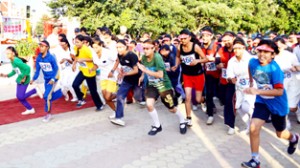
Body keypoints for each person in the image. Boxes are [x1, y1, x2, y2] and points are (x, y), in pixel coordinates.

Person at [241, 40, 299, 168]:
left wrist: (257, 90)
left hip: (277, 104)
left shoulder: (275, 69)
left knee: (280, 134)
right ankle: (255, 160)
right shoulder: (252, 62)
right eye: (260, 51)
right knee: (253, 128)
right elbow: (251, 70)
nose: (262, 54)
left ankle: (294, 138)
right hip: (262, 101)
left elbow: (279, 91)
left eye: (266, 52)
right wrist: (251, 83)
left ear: (273, 55)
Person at [137, 39, 187, 135]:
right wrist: (142, 75)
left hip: (164, 86)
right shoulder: (143, 57)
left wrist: (145, 71)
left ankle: (182, 120)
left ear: (153, 48)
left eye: (147, 48)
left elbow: (160, 75)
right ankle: (157, 126)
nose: (145, 50)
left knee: (171, 108)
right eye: (144, 48)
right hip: (152, 85)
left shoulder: (157, 58)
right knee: (149, 104)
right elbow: (144, 68)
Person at [172, 29, 208, 126]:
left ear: (189, 38)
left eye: (185, 38)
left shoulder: (195, 47)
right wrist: (176, 64)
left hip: (198, 75)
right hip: (187, 75)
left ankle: (204, 101)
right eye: (181, 38)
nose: (182, 40)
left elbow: (205, 59)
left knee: (197, 99)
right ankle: (188, 118)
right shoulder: (179, 47)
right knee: (188, 98)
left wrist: (197, 61)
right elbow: (178, 57)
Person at [0, 46, 43, 115]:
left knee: (20, 96)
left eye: (8, 53)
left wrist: (24, 77)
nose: (7, 55)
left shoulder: (16, 60)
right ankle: (30, 109)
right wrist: (6, 75)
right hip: (20, 79)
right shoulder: (12, 61)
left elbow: (28, 68)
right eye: (6, 53)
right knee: (19, 96)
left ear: (13, 53)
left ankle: (35, 91)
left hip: (24, 79)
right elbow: (14, 71)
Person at [109, 40, 143, 126]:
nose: (118, 49)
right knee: (120, 96)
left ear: (125, 47)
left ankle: (144, 98)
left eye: (120, 47)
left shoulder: (132, 56)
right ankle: (119, 117)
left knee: (138, 97)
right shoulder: (119, 55)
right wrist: (113, 71)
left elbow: (135, 70)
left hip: (137, 79)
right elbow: (117, 62)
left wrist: (124, 73)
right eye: (117, 47)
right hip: (127, 80)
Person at [226, 37, 255, 134]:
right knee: (239, 108)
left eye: (239, 48)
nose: (236, 50)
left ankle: (255, 125)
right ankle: (249, 126)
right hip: (238, 88)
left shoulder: (251, 59)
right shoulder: (231, 61)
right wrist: (231, 79)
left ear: (244, 48)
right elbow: (229, 76)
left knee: (247, 107)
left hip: (251, 87)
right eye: (235, 48)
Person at [30, 40, 63, 122]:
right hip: (46, 79)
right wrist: (33, 79)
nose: (40, 48)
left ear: (47, 47)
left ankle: (48, 114)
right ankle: (62, 92)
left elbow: (57, 70)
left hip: (53, 79)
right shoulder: (38, 58)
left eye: (42, 46)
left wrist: (53, 79)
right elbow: (37, 71)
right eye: (40, 46)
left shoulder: (51, 57)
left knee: (46, 96)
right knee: (48, 97)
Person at [71, 35, 104, 111]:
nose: (76, 44)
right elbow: (76, 57)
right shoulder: (75, 48)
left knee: (93, 91)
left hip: (90, 72)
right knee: (75, 85)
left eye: (78, 42)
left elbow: (93, 59)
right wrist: (74, 64)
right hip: (82, 70)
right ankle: (81, 98)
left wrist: (84, 59)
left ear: (83, 42)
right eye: (75, 42)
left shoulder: (87, 49)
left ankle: (99, 105)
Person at [92, 37, 118, 114]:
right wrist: (92, 69)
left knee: (108, 97)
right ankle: (116, 112)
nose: (95, 49)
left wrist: (112, 71)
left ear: (101, 45)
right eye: (93, 48)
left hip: (111, 76)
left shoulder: (108, 52)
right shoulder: (94, 54)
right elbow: (96, 64)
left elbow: (117, 60)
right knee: (105, 98)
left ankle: (120, 94)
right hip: (103, 77)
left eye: (96, 47)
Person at [57, 37, 78, 102]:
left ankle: (75, 96)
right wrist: (61, 62)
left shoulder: (71, 51)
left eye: (63, 45)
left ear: (66, 44)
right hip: (64, 69)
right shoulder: (60, 51)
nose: (62, 46)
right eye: (61, 45)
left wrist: (67, 59)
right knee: (62, 84)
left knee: (70, 83)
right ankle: (66, 94)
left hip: (72, 69)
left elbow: (75, 61)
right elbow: (59, 62)